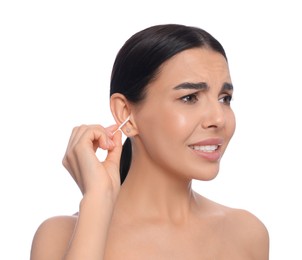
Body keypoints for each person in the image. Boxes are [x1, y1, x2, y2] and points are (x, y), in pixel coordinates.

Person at [30, 24, 269, 259]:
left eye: (224, 98)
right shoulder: (59, 236)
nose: (218, 118)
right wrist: (97, 201)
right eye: (189, 97)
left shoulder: (246, 234)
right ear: (126, 114)